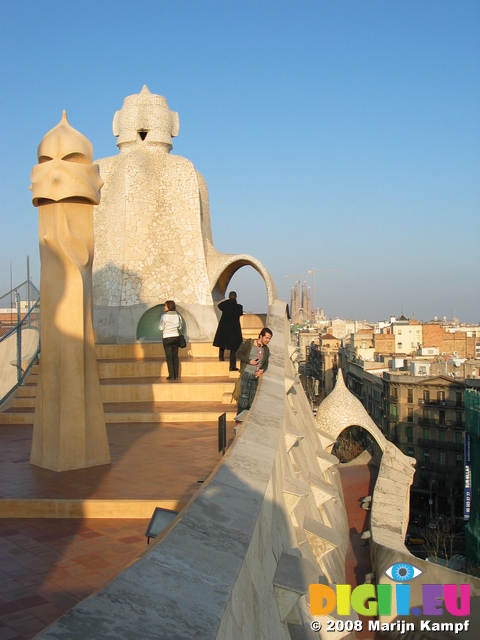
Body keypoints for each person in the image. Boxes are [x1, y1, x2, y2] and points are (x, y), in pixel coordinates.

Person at [234, 327, 273, 415]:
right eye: (266, 338)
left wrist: (261, 371)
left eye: (269, 338)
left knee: (251, 400)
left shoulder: (266, 349)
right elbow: (238, 354)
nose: (268, 340)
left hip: (256, 377)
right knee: (243, 398)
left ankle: (246, 419)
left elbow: (266, 364)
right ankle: (239, 419)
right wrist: (249, 361)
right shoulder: (248, 344)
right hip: (246, 374)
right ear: (260, 336)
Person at [212, 291, 243, 371]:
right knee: (234, 348)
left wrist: (229, 301)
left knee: (222, 342)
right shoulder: (239, 307)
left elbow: (220, 305)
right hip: (234, 329)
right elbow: (240, 313)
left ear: (229, 298)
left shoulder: (225, 305)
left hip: (224, 327)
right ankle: (232, 366)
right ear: (236, 298)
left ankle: (221, 357)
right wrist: (233, 302)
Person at [159, 300, 182, 381]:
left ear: (169, 307)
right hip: (176, 337)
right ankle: (176, 375)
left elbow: (161, 328)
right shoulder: (178, 316)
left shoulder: (164, 316)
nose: (164, 307)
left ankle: (171, 375)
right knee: (175, 356)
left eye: (165, 306)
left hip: (167, 337)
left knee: (169, 357)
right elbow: (180, 327)